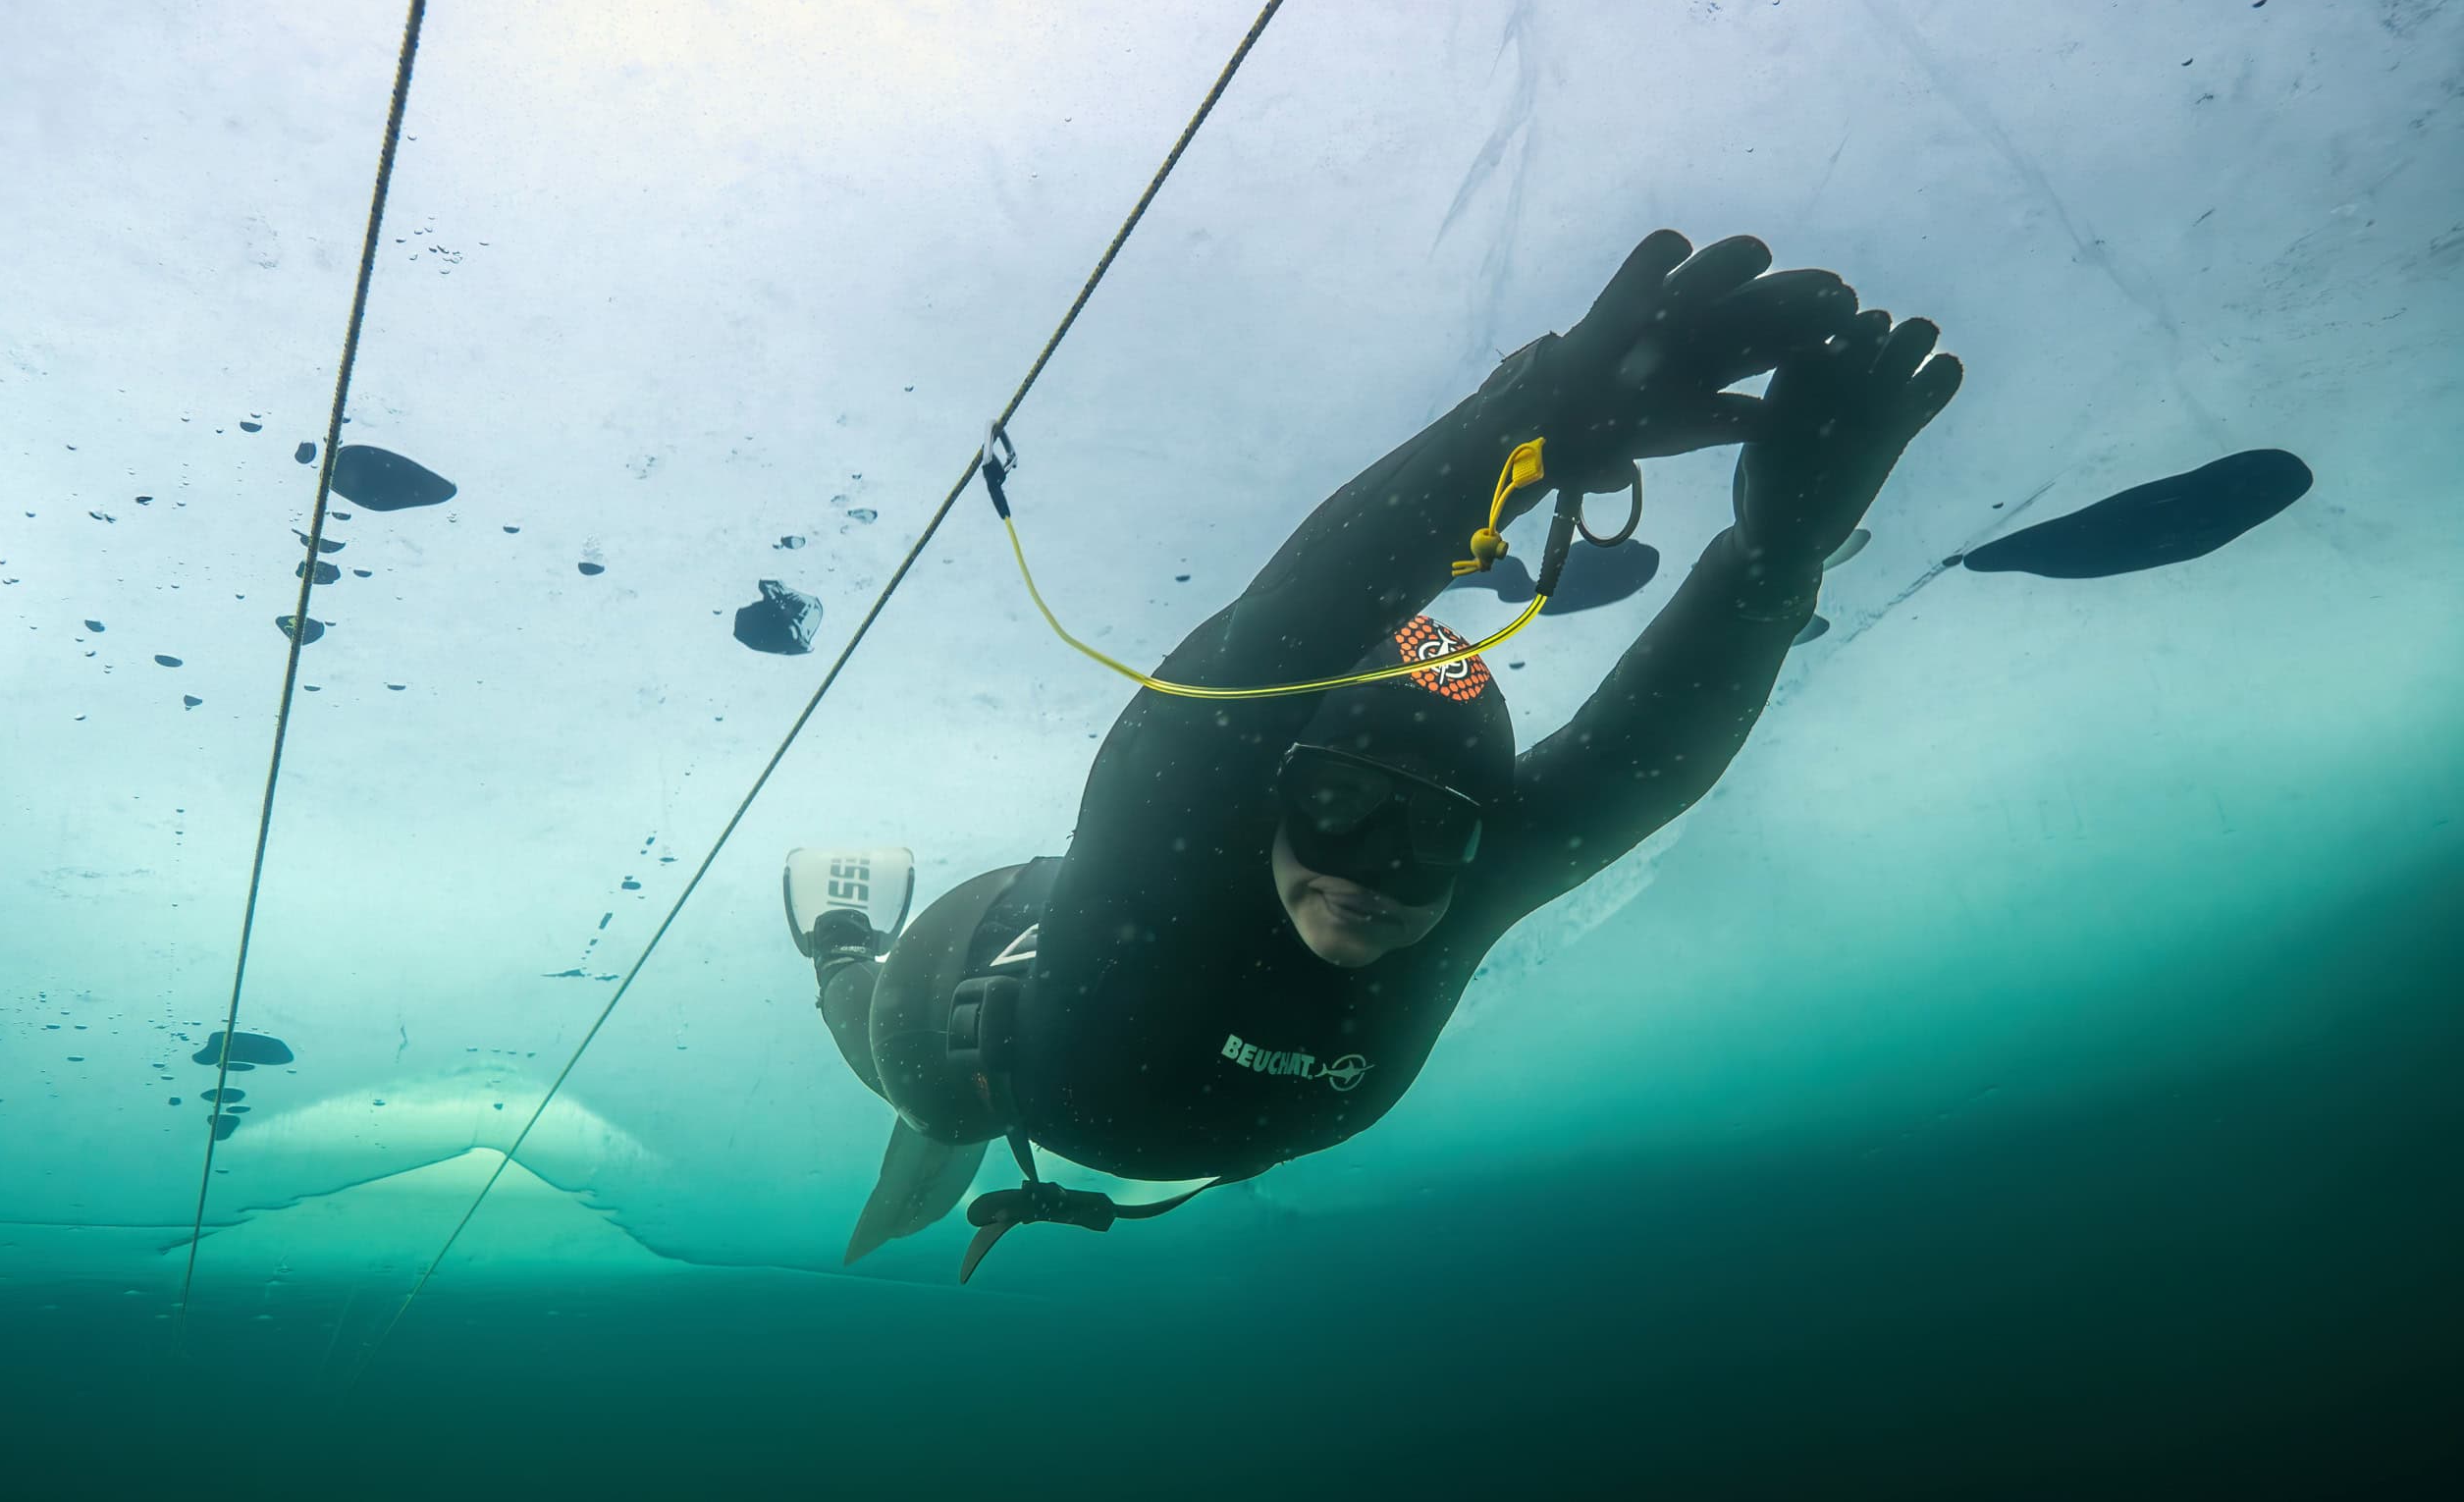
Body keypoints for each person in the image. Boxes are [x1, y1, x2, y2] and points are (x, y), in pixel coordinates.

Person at [786, 229, 1963, 1276]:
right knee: (893, 1052)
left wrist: (1775, 554)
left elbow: (1647, 752)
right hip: (966, 1005)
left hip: (1105, 1031)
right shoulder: (1182, 819)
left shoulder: (1467, 880)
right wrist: (1523, 425)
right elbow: (1268, 647)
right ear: (1269, 794)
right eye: (1343, 802)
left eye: (1435, 824)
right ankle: (844, 943)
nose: (1380, 867)